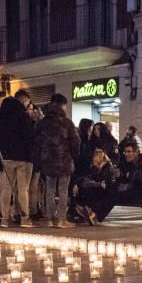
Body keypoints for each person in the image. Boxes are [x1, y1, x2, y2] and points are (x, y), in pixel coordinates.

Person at [33, 95, 80, 228]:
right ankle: (61, 219)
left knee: (50, 189)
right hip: (64, 160)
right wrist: (73, 155)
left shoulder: (41, 123)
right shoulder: (67, 123)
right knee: (63, 189)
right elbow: (75, 142)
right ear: (62, 105)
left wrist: (40, 158)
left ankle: (50, 219)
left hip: (47, 160)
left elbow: (35, 142)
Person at [0, 89, 37, 228]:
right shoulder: (22, 114)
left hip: (6, 157)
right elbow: (29, 135)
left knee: (6, 188)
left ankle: (4, 219)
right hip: (23, 157)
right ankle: (25, 218)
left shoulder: (1, 114)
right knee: (23, 189)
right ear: (24, 100)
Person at [70, 147, 115, 225]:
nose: (97, 154)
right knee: (80, 187)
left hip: (104, 190)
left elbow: (104, 181)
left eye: (100, 152)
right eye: (96, 152)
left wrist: (97, 168)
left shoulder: (108, 165)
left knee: (89, 189)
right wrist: (76, 184)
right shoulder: (93, 164)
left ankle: (92, 215)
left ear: (104, 153)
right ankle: (79, 212)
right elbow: (87, 177)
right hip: (95, 187)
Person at [113, 142, 142, 207]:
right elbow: (128, 178)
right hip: (134, 191)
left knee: (112, 196)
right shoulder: (130, 163)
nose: (126, 154)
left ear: (136, 152)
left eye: (129, 151)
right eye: (125, 152)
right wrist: (120, 175)